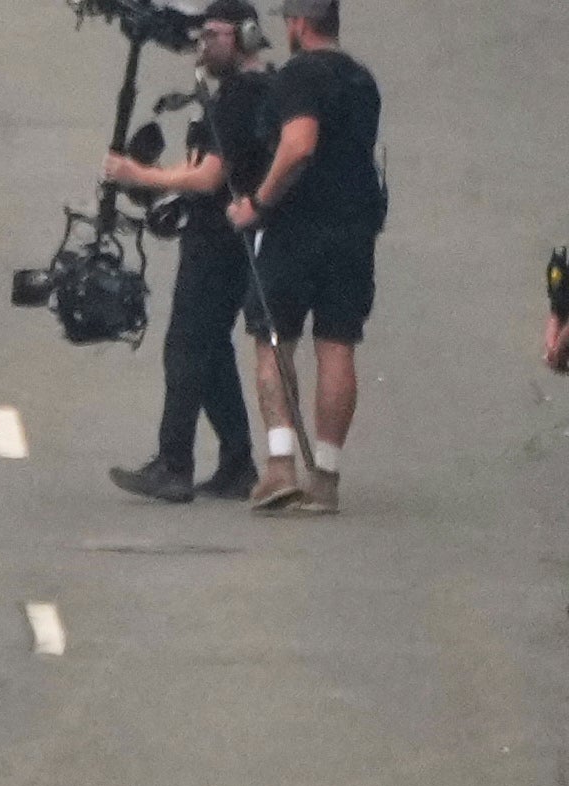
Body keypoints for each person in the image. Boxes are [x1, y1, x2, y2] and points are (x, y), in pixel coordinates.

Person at [104, 7, 276, 504]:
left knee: (184, 347)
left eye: (213, 35)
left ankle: (174, 464)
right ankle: (237, 462)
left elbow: (209, 177)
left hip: (218, 240)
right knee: (211, 349)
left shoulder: (240, 98)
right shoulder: (254, 92)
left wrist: (138, 176)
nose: (202, 44)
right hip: (233, 235)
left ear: (244, 36)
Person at [232, 0, 383, 514]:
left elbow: (299, 145)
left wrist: (258, 202)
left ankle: (278, 466)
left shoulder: (298, 76)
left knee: (273, 339)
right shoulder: (363, 81)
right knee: (338, 345)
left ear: (298, 23)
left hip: (296, 229)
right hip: (355, 230)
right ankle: (326, 475)